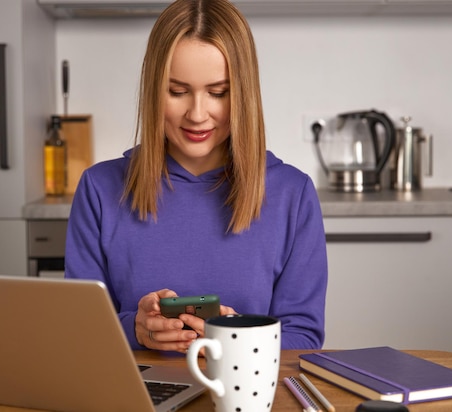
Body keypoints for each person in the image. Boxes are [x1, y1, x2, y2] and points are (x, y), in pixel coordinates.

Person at [65, 0, 328, 353]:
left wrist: (236, 337)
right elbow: (79, 330)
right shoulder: (99, 189)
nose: (198, 114)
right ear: (153, 90)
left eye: (218, 92)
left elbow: (304, 338)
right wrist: (135, 329)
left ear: (243, 94)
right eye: (177, 91)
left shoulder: (292, 195)